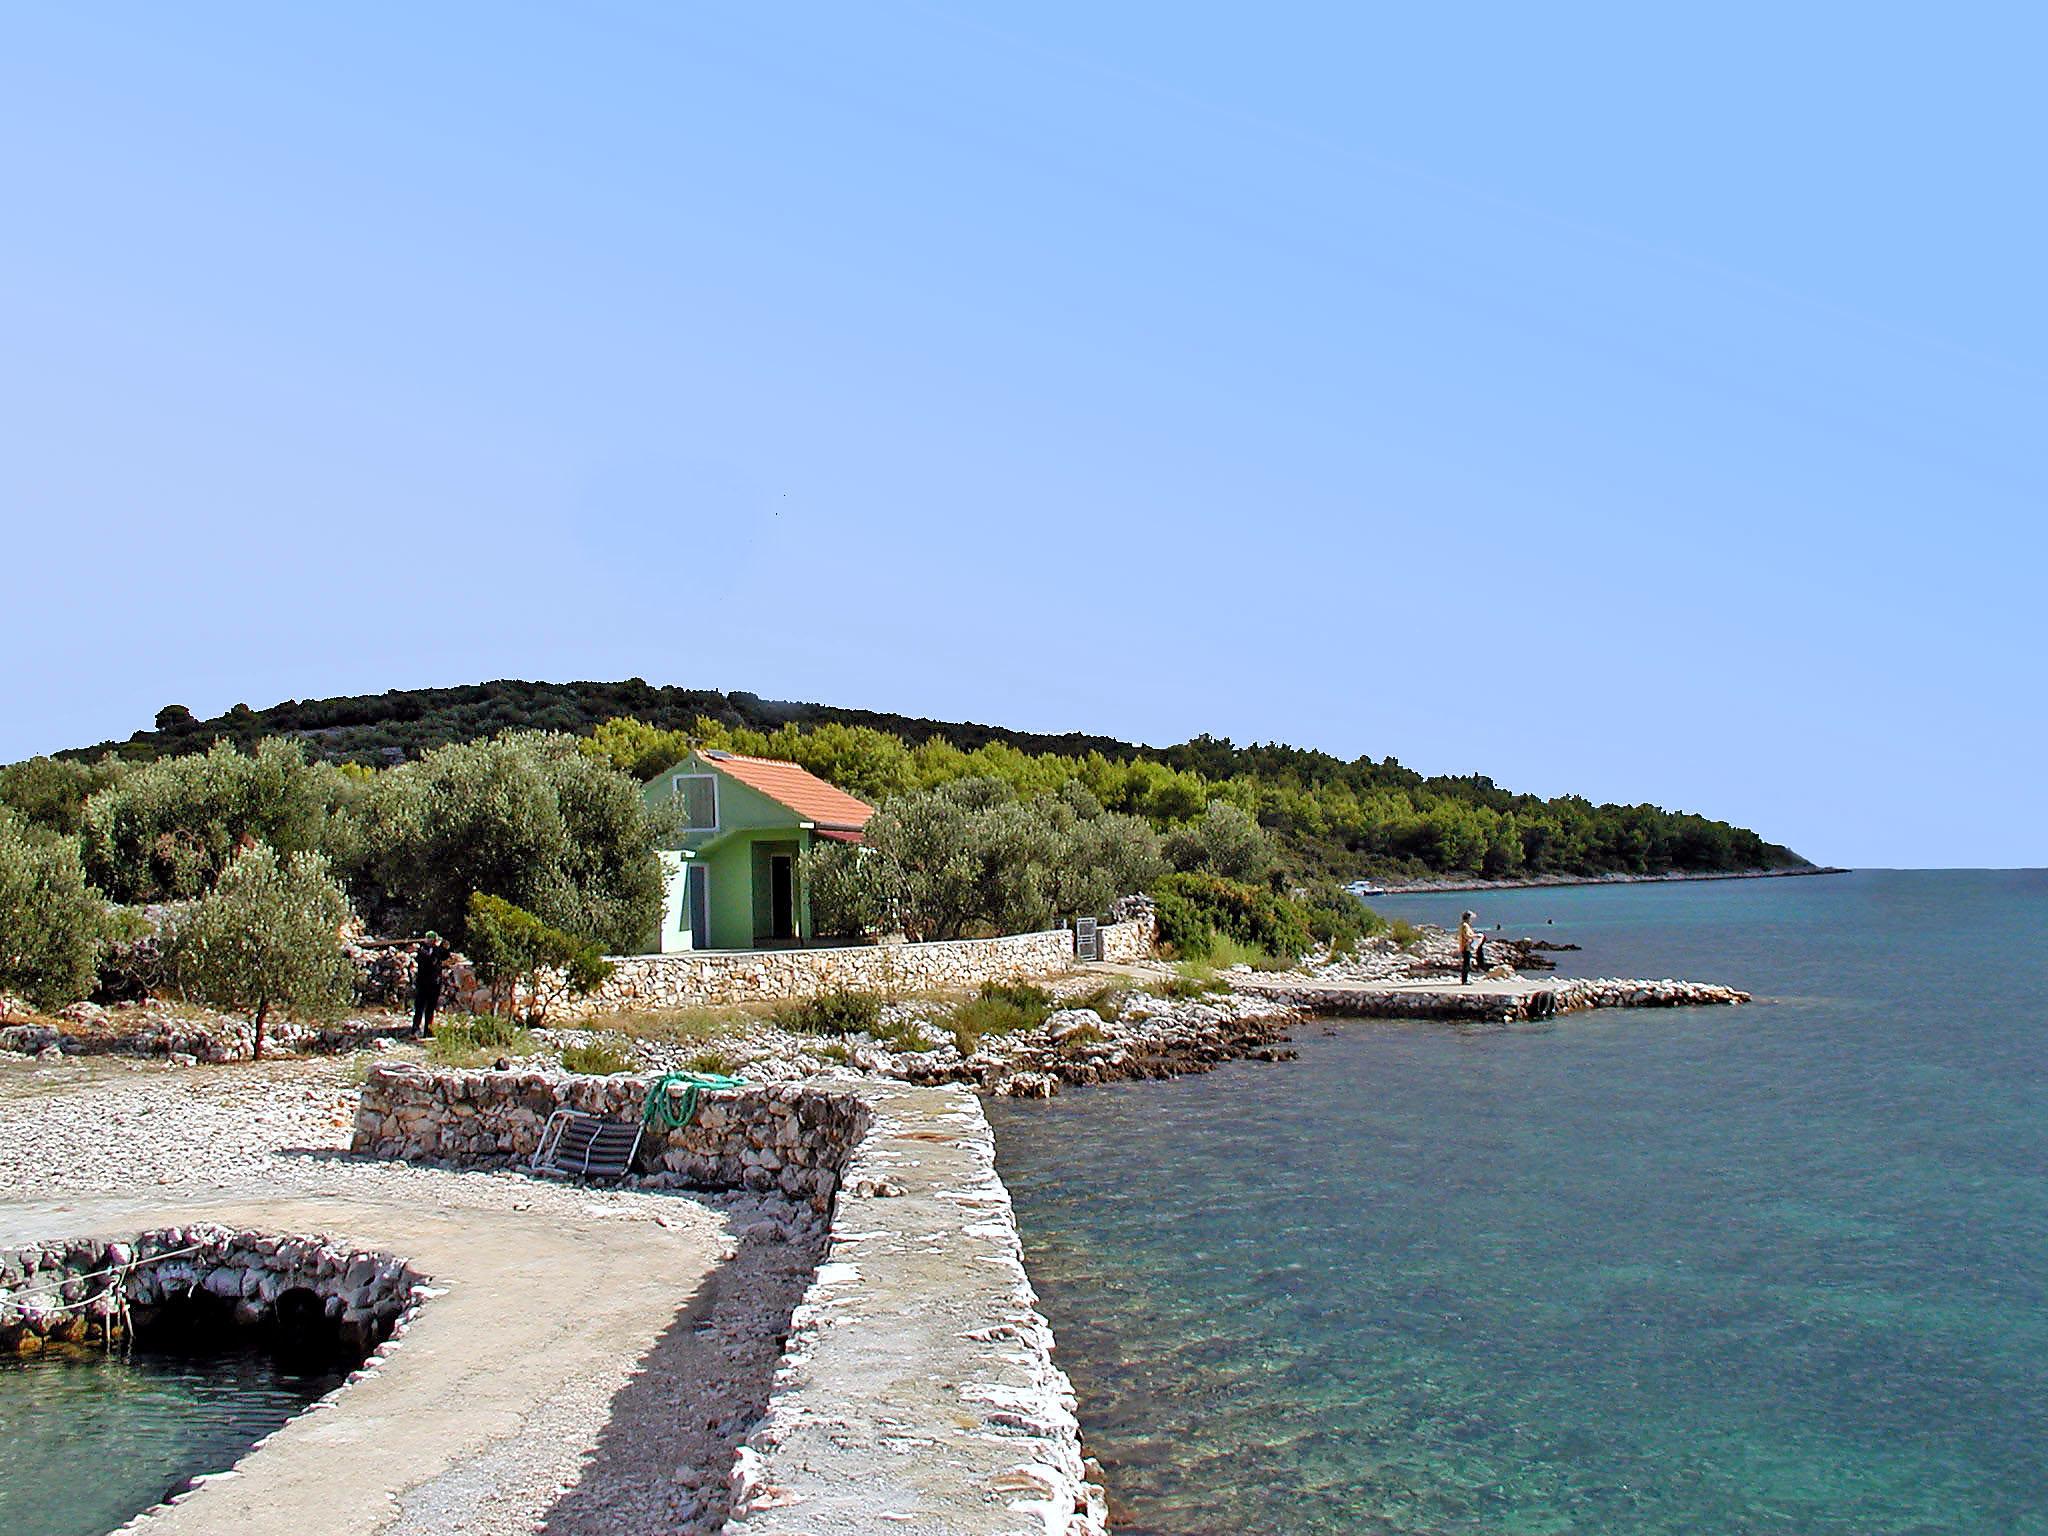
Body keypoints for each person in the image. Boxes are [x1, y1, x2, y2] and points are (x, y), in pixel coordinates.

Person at [412, 931, 451, 1037]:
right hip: (423, 983)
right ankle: (415, 1029)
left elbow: (445, 956)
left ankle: (428, 1030)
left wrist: (445, 947)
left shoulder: (437, 950)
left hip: (434, 984)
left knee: (430, 1009)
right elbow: (430, 960)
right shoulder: (422, 950)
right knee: (419, 1008)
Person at [1458, 910, 1481, 984]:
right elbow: (1466, 935)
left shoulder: (1463, 925)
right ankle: (1464, 980)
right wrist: (1476, 936)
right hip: (1466, 946)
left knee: (1466, 963)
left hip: (1466, 946)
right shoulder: (1465, 926)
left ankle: (1465, 979)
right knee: (1466, 963)